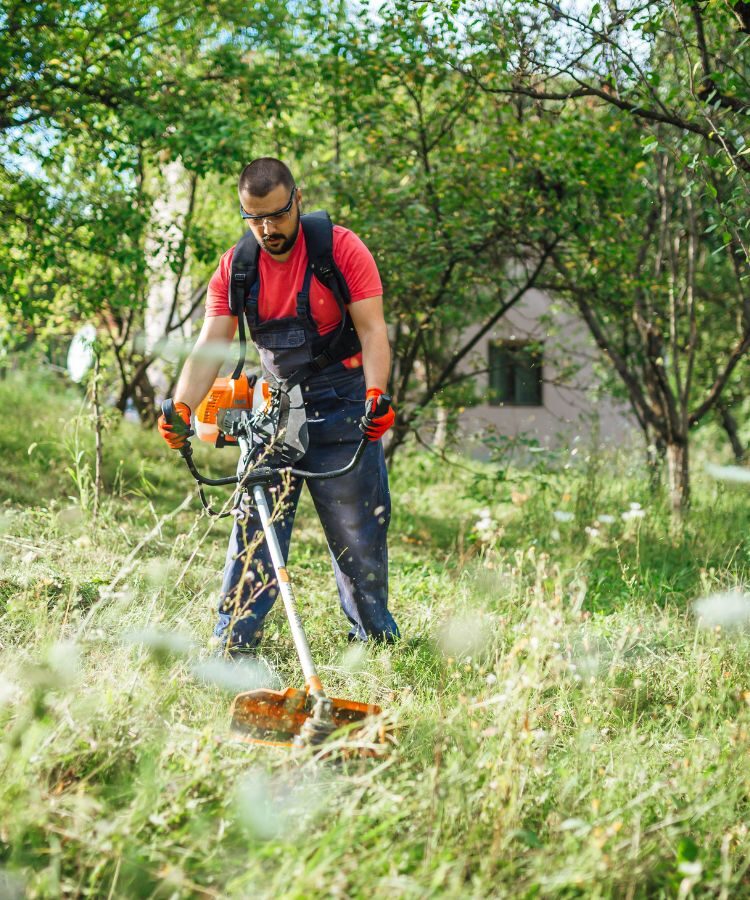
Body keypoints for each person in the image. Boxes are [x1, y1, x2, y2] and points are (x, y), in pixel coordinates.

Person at [158, 157, 400, 653]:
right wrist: (182, 406)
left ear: (297, 201)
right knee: (256, 526)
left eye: (276, 215)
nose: (267, 229)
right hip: (275, 409)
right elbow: (211, 346)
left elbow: (374, 330)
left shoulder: (340, 250)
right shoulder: (237, 267)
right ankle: (233, 646)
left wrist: (378, 395)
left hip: (343, 403)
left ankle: (375, 643)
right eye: (254, 218)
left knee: (359, 533)